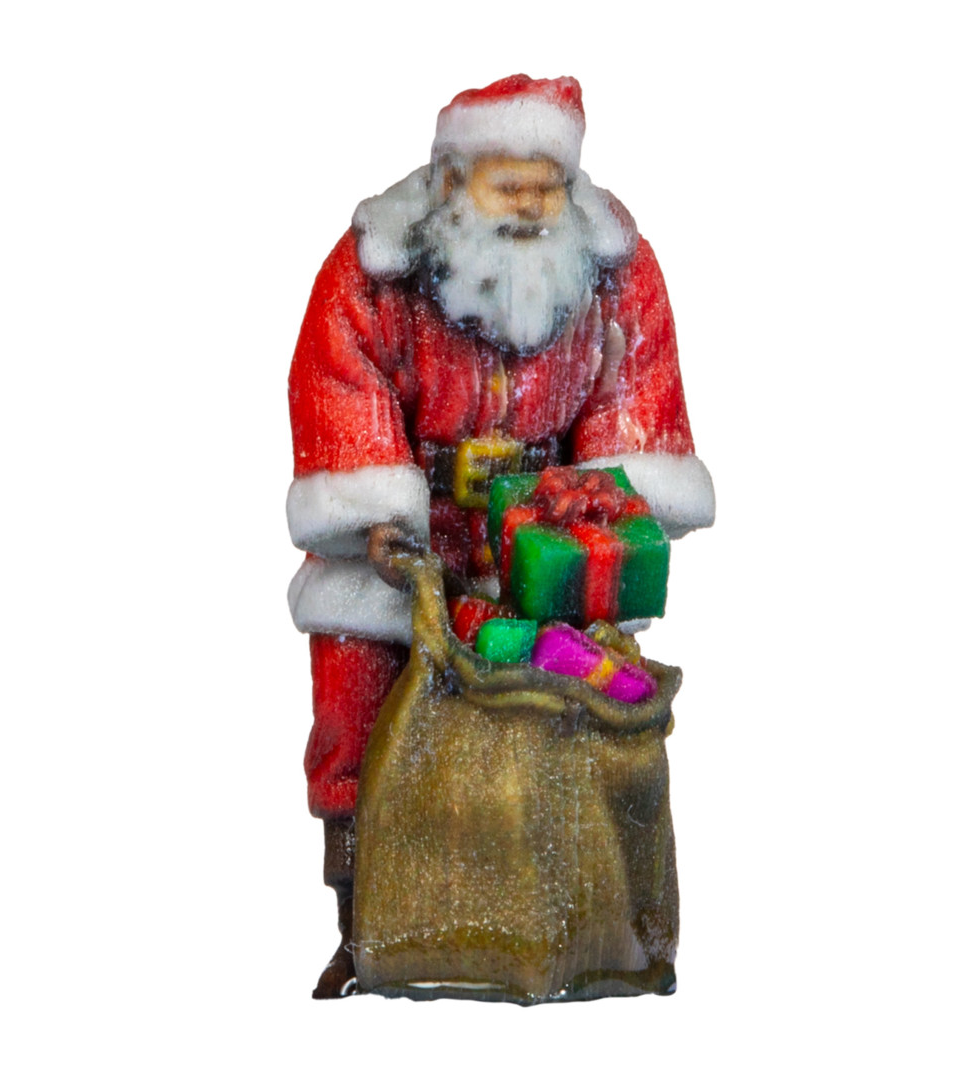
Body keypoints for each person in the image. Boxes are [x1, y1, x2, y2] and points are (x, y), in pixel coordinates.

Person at [284, 74, 715, 997]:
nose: (529, 205)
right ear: (452, 182)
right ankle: (361, 915)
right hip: (403, 549)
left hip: (546, 535)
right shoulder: (373, 275)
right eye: (507, 185)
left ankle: (591, 918)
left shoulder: (615, 273)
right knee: (356, 694)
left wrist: (604, 523)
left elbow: (634, 401)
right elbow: (339, 382)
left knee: (590, 701)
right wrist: (383, 523)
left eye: (547, 187)